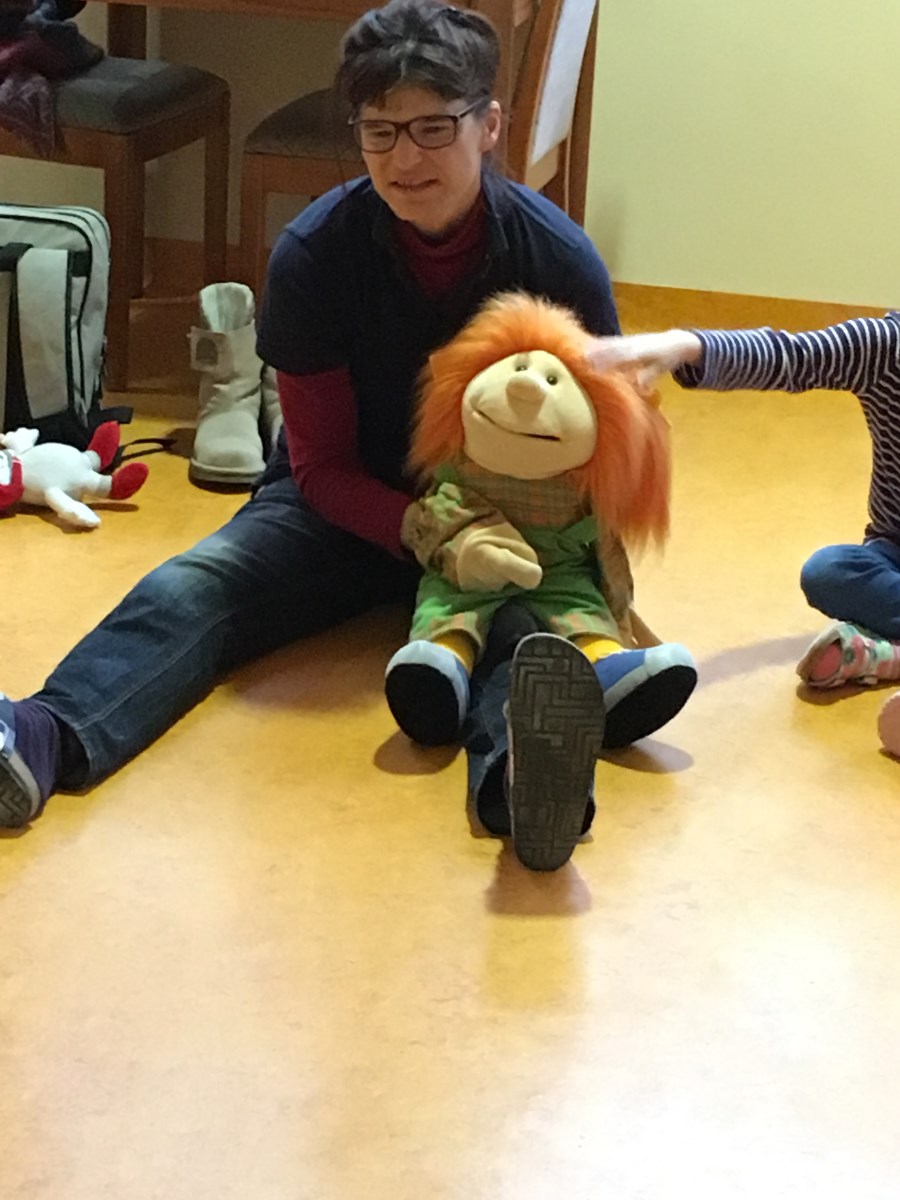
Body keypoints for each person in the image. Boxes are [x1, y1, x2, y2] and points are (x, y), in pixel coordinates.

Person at [0, 0, 694, 868]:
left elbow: (593, 454)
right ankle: (40, 734)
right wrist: (428, 531)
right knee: (197, 585)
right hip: (342, 509)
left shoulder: (558, 262)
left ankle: (524, 783)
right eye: (379, 131)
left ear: (490, 125)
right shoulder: (315, 254)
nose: (405, 159)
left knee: (529, 638)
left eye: (434, 128)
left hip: (513, 519)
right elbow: (320, 465)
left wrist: (579, 571)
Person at [583, 314, 900, 757]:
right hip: (890, 555)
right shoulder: (886, 348)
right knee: (829, 571)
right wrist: (686, 346)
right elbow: (792, 357)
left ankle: (881, 656)